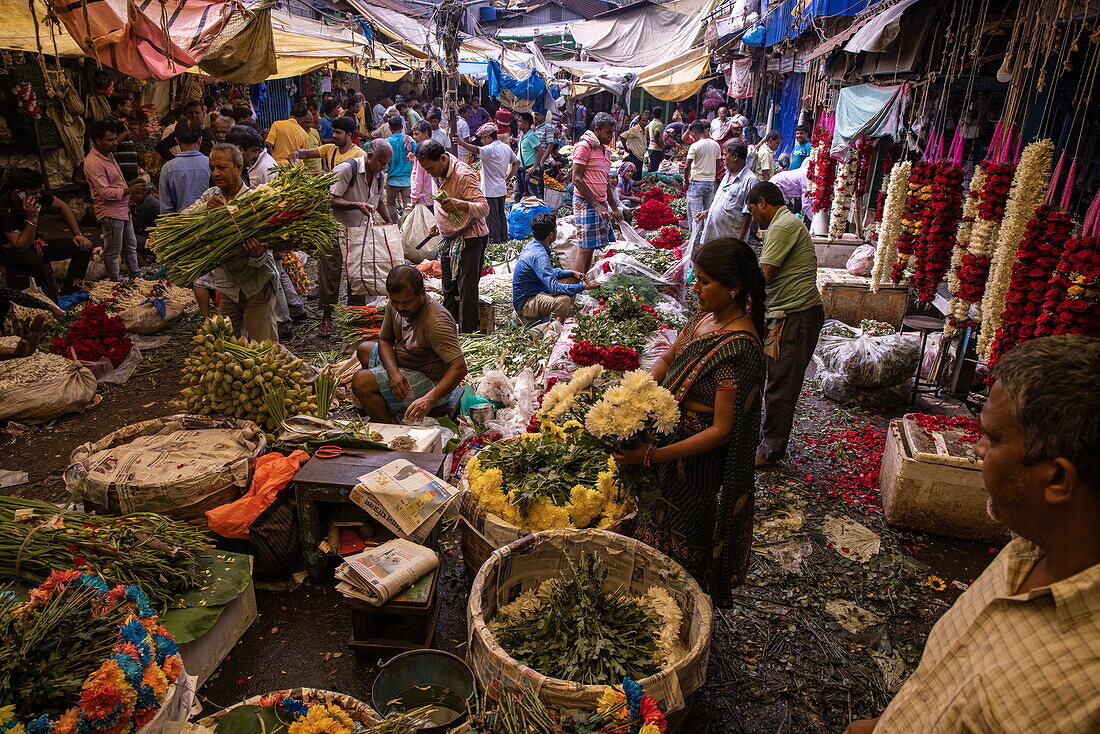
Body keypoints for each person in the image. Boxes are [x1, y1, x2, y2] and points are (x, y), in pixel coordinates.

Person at [844, 335, 1100, 734]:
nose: (978, 450)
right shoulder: (1025, 551)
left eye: (993, 439)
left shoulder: (1085, 688)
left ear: (1057, 479)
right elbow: (952, 684)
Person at [615, 237, 767, 607]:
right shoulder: (704, 318)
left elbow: (722, 430)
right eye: (695, 279)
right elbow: (668, 358)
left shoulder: (740, 347)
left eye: (703, 282)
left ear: (733, 287)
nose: (694, 289)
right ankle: (649, 602)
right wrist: (640, 392)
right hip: (665, 442)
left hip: (692, 467)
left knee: (683, 543)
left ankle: (681, 612)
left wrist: (652, 455)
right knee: (653, 526)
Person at [747, 181, 823, 467]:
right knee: (774, 380)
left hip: (796, 317)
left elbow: (764, 274)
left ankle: (770, 451)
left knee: (781, 386)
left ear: (763, 203)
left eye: (753, 211)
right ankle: (764, 440)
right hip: (785, 314)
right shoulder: (783, 222)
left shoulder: (782, 225)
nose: (753, 217)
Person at [183, 143, 279, 342]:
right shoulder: (211, 197)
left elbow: (268, 250)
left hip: (256, 283)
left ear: (239, 167)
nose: (216, 173)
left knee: (264, 346)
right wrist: (204, 210)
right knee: (226, 342)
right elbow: (183, 219)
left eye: (222, 167)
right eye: (212, 168)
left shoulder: (255, 201)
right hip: (227, 285)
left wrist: (257, 255)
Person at [351, 265, 467, 424]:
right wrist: (393, 373)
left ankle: (390, 427)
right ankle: (382, 404)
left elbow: (459, 367)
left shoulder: (436, 322)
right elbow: (385, 340)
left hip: (431, 381)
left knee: (361, 381)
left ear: (422, 293)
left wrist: (429, 399)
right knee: (364, 349)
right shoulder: (395, 306)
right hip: (405, 363)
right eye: (395, 301)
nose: (400, 307)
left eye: (406, 302)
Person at [317, 139, 394, 338]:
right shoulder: (346, 170)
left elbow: (378, 201)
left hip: (359, 231)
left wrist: (390, 222)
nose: (384, 167)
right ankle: (326, 316)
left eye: (386, 163)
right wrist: (355, 204)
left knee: (358, 272)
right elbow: (330, 199)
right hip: (335, 228)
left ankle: (355, 316)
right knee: (331, 273)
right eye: (381, 162)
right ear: (369, 157)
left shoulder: (379, 176)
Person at [415, 139, 488, 333]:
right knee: (449, 287)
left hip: (470, 238)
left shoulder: (463, 175)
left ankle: (467, 333)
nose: (430, 173)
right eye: (426, 170)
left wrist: (460, 204)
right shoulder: (439, 171)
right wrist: (438, 223)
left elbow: (483, 208)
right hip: (449, 239)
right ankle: (447, 329)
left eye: (431, 169)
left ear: (442, 158)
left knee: (467, 289)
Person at [0, 168, 95, 301]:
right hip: (9, 250)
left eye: (39, 192)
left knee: (83, 247)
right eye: (34, 193)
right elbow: (21, 246)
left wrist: (77, 234)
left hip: (33, 241)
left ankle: (68, 294)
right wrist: (32, 219)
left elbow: (63, 206)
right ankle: (48, 300)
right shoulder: (5, 209)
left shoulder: (36, 194)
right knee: (34, 260)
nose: (38, 196)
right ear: (18, 193)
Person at [85, 119, 148, 282]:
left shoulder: (108, 154)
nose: (115, 143)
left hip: (122, 208)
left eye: (115, 138)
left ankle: (135, 274)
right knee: (113, 250)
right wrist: (129, 190)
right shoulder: (94, 162)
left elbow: (115, 183)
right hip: (110, 212)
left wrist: (131, 187)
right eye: (111, 140)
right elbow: (104, 191)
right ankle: (115, 281)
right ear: (98, 140)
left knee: (130, 244)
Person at [512, 211, 594, 323]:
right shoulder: (539, 255)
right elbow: (554, 289)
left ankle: (563, 313)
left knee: (573, 279)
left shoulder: (534, 244)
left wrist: (570, 272)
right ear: (551, 234)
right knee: (562, 301)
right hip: (526, 303)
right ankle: (551, 327)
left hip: (537, 291)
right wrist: (584, 286)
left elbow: (545, 271)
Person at [571, 112, 620, 276]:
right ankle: (575, 288)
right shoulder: (583, 147)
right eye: (608, 132)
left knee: (590, 247)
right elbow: (576, 179)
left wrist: (615, 208)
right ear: (597, 130)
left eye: (613, 133)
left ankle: (583, 283)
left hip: (599, 203)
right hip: (585, 202)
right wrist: (596, 204)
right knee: (584, 247)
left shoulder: (605, 151)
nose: (611, 136)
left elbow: (605, 182)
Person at [454, 123, 518, 244]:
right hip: (501, 187)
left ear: (488, 137)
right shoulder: (506, 147)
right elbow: (516, 163)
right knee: (500, 214)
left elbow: (476, 149)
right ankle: (503, 237)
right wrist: (508, 177)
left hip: (490, 189)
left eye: (483, 138)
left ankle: (495, 240)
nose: (482, 141)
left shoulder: (490, 149)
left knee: (492, 216)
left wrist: (461, 143)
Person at [698, 139, 757, 243]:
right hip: (712, 236)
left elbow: (747, 215)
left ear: (735, 157)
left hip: (729, 240)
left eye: (725, 154)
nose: (723, 158)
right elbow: (722, 201)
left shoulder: (750, 180)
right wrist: (707, 212)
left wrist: (739, 242)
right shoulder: (727, 174)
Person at [684, 120, 722, 235]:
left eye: (692, 134)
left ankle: (694, 240)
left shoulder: (695, 146)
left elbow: (687, 167)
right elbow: (719, 164)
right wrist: (714, 175)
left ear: (695, 132)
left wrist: (686, 181)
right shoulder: (715, 144)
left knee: (695, 214)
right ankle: (706, 237)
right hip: (710, 182)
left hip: (696, 182)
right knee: (707, 213)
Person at [289, 116, 365, 171]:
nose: (334, 135)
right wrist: (297, 152)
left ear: (349, 135)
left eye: (338, 133)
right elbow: (307, 154)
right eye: (334, 132)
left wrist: (327, 175)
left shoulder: (359, 154)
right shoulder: (330, 148)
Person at [383, 116, 415, 221]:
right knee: (408, 205)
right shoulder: (409, 140)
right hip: (407, 179)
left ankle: (395, 224)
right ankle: (406, 225)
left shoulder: (387, 142)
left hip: (392, 179)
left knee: (390, 204)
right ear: (401, 127)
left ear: (390, 128)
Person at [104, 92, 140, 183]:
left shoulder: (119, 122)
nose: (130, 109)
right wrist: (125, 132)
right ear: (120, 107)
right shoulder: (110, 122)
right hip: (122, 168)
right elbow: (112, 143)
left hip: (128, 168)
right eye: (128, 107)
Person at [514, 112, 543, 202]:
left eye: (520, 121)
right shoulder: (522, 135)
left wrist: (534, 166)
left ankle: (539, 214)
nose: (518, 123)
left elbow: (540, 150)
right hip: (521, 169)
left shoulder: (531, 135)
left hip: (530, 171)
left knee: (533, 194)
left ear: (526, 124)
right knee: (518, 192)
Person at [408, 120, 436, 208]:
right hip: (434, 197)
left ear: (426, 133)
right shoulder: (435, 147)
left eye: (417, 134)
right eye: (413, 134)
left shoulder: (421, 153)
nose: (414, 137)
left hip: (424, 199)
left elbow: (418, 178)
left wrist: (414, 198)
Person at [619, 111, 650, 181]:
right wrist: (626, 148)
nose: (644, 122)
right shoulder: (635, 129)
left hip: (640, 157)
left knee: (638, 176)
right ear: (639, 121)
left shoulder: (643, 130)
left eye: (646, 121)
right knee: (635, 177)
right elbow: (622, 136)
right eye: (643, 121)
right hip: (635, 156)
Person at [645, 108, 666, 172]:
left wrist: (650, 139)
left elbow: (645, 130)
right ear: (661, 114)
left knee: (652, 165)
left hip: (651, 147)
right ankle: (649, 180)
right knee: (654, 168)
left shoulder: (651, 122)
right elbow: (656, 134)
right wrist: (658, 143)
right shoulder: (659, 124)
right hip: (656, 149)